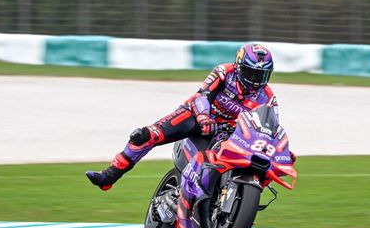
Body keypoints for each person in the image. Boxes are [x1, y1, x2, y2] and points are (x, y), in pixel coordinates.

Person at [86, 43, 277, 191]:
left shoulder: (268, 97)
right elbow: (202, 95)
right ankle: (110, 175)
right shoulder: (224, 72)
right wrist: (203, 117)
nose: (254, 81)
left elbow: (270, 126)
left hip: (229, 131)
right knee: (144, 135)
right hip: (196, 115)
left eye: (261, 75)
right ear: (238, 66)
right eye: (251, 73)